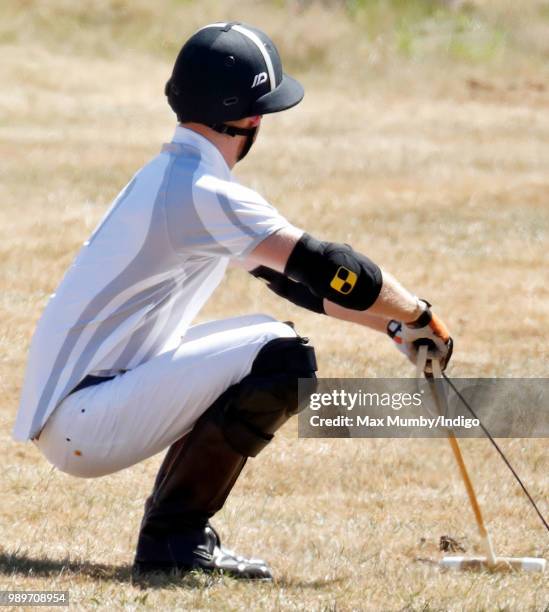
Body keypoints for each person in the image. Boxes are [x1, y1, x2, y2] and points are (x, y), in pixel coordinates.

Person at [13, 22, 452, 581]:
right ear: (252, 120)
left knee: (273, 339)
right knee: (282, 358)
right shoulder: (201, 191)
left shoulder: (174, 177)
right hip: (88, 420)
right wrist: (419, 315)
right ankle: (173, 544)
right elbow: (330, 267)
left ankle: (174, 539)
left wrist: (393, 332)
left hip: (85, 409)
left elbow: (294, 283)